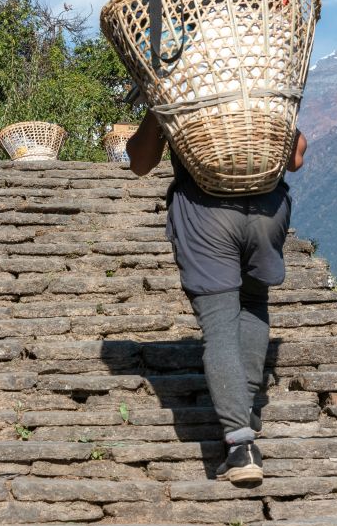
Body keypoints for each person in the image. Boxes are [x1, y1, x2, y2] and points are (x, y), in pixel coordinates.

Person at [127, 112, 307, 483]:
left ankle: (241, 447)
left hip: (206, 211)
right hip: (267, 212)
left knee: (220, 325)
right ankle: (245, 408)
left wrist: (155, 109)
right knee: (254, 304)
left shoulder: (182, 90)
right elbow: (296, 158)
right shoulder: (258, 92)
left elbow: (140, 163)